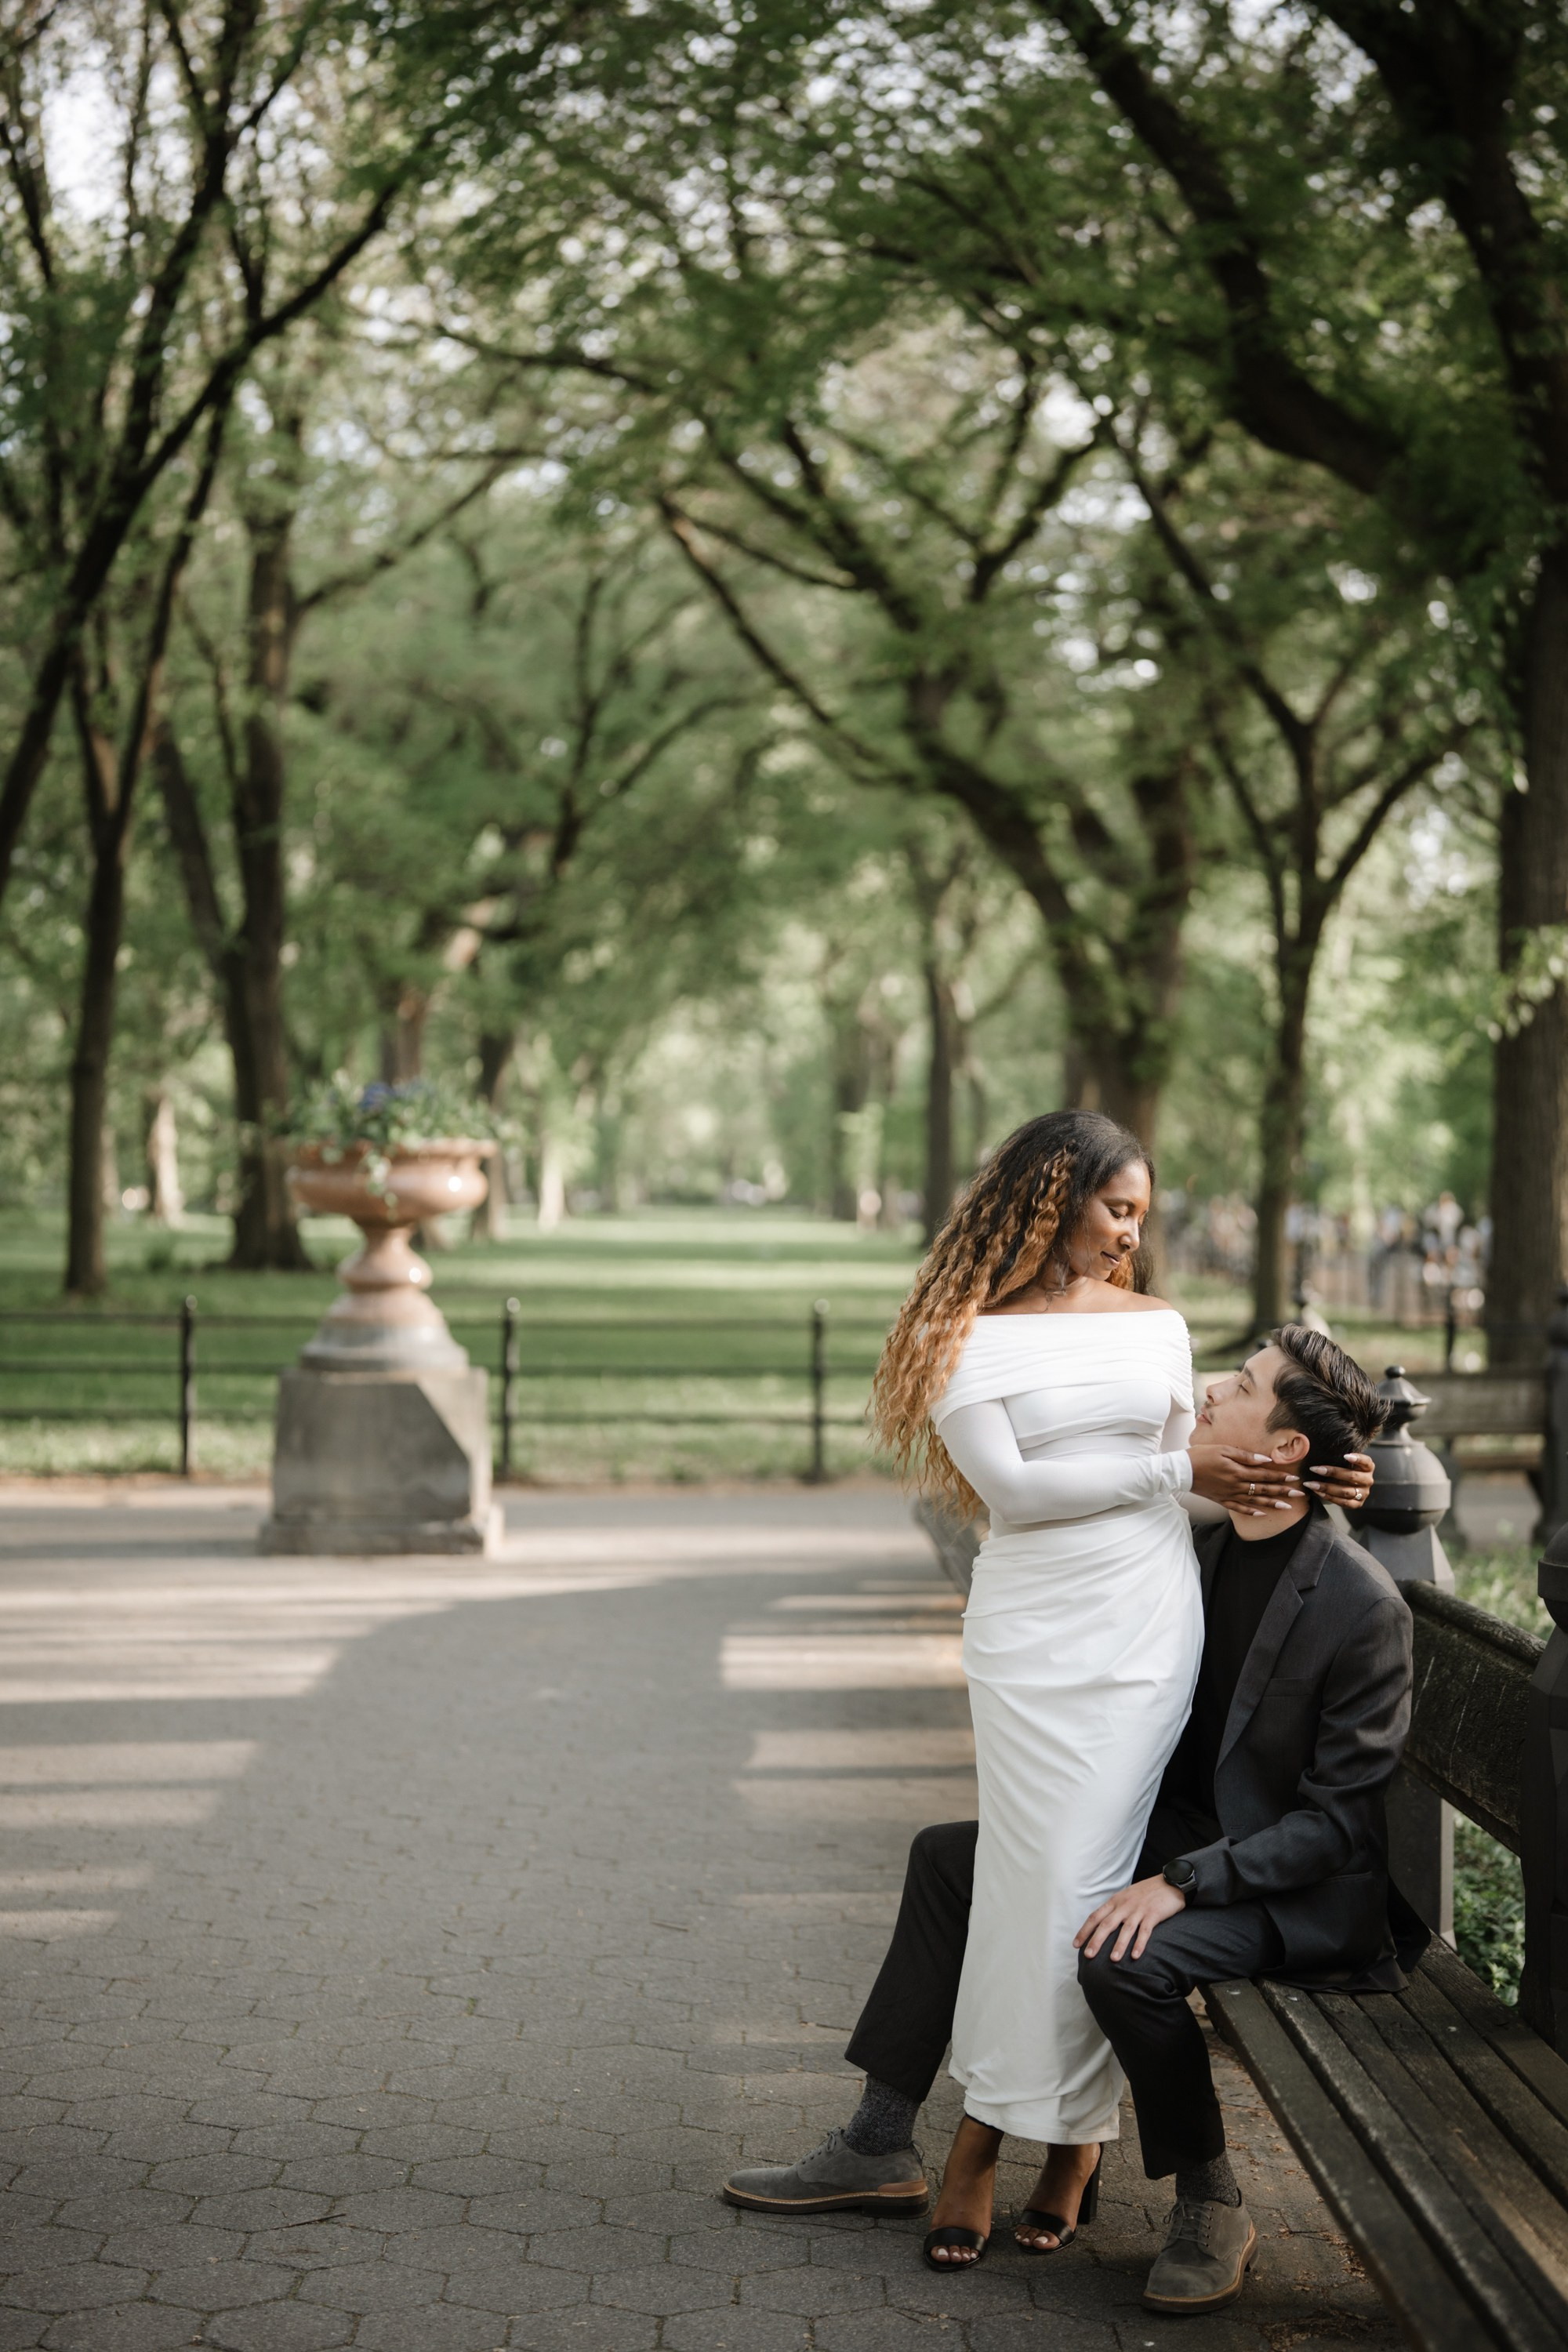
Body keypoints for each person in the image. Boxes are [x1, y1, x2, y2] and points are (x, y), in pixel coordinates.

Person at [723, 1113, 1382, 2310]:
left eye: (1142, 1212)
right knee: (1028, 1875)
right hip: (1031, 1634)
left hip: (1141, 1630)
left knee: (1065, 1883)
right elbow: (1018, 1495)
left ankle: (980, 2140)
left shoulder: (1160, 1331)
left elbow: (1242, 1445)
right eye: (1117, 1208)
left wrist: (1331, 1469)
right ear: (1048, 1200)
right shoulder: (960, 1338)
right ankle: (1054, 2140)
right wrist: (1170, 1472)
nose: (1135, 1233)